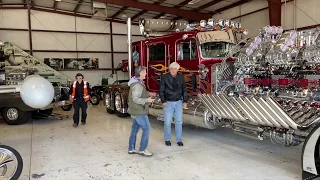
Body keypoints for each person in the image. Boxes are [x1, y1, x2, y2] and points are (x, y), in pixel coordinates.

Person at [127, 66, 155, 157]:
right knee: (146, 128)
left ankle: (131, 148)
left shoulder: (137, 82)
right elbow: (136, 99)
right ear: (141, 73)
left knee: (134, 129)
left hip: (135, 110)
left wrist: (151, 94)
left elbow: (142, 93)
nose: (146, 74)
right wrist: (147, 100)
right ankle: (142, 149)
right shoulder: (137, 85)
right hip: (139, 111)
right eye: (145, 72)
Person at [159, 62, 189, 146]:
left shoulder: (181, 76)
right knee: (167, 122)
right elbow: (161, 90)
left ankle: (179, 140)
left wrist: (185, 101)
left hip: (178, 102)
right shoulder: (165, 77)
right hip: (168, 102)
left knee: (179, 121)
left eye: (175, 69)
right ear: (169, 69)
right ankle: (167, 139)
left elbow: (184, 89)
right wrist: (163, 101)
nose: (173, 70)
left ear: (177, 69)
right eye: (172, 68)